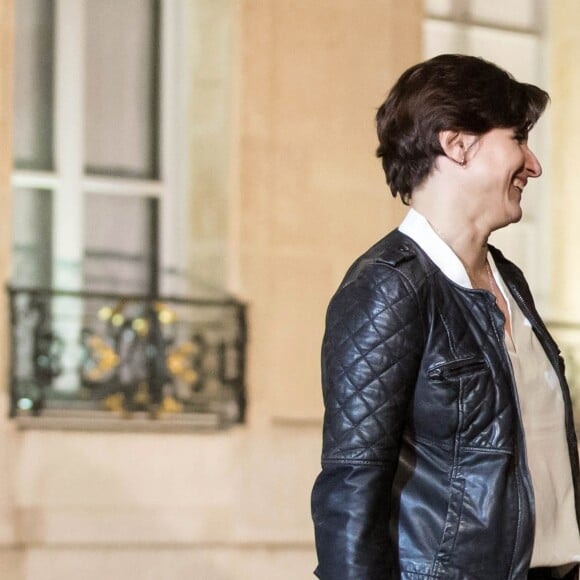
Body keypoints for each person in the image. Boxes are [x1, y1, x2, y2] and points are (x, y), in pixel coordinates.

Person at [311, 54, 580, 580]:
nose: (533, 163)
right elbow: (351, 486)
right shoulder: (389, 285)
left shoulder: (509, 279)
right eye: (518, 139)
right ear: (457, 144)